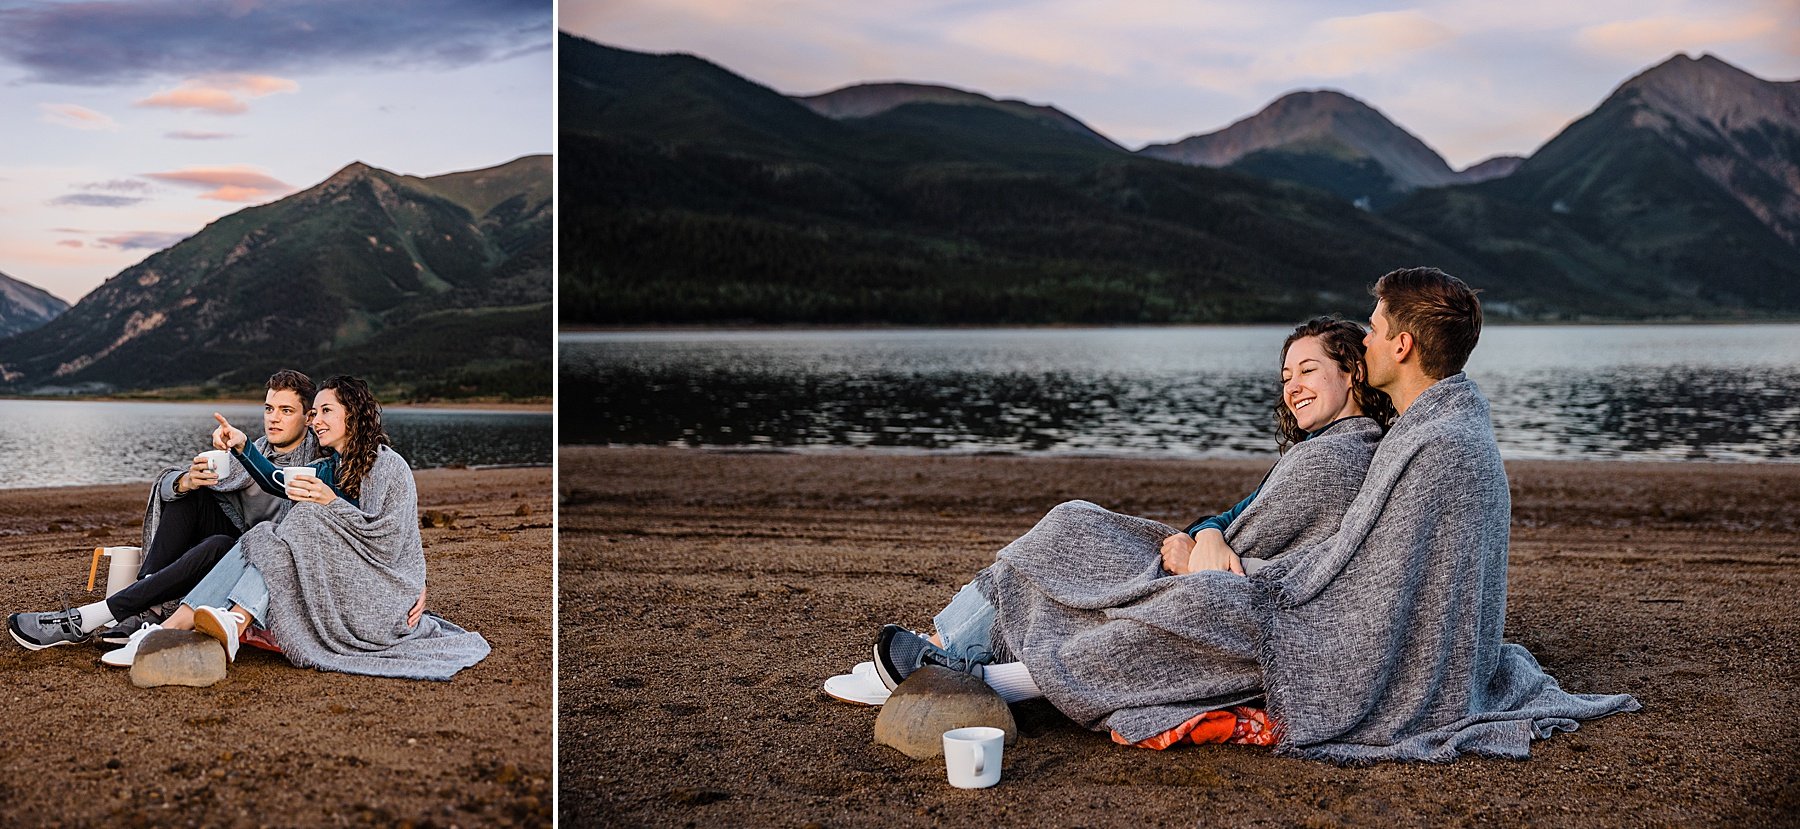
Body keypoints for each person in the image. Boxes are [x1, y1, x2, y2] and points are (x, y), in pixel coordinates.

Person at [878, 267, 1640, 763]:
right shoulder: (1433, 428)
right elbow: (1359, 556)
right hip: (1332, 605)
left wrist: (1250, 579)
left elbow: (1362, 575)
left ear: (1399, 345)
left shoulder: (1439, 442)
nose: (1366, 336)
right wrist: (1235, 560)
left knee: (1214, 602)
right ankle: (969, 657)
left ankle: (992, 678)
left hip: (1368, 651)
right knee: (1190, 583)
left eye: (1371, 331)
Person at [870, 316, 1395, 719]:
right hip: (1200, 560)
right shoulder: (1318, 447)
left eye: (1309, 371)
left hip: (1220, 589)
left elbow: (1299, 561)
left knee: (1071, 527)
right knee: (1068, 530)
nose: (1293, 387)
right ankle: (947, 651)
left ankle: (950, 659)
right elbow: (1233, 518)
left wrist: (1200, 556)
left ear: (1351, 374)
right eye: (1287, 376)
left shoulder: (1338, 459)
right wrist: (1208, 533)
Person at [113, 375, 488, 681]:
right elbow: (276, 480)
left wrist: (416, 580)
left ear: (353, 416)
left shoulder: (389, 467)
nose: (316, 420)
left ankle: (231, 619)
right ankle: (167, 627)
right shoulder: (328, 467)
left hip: (373, 587)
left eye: (324, 411)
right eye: (314, 413)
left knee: (303, 517)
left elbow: (392, 540)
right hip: (327, 570)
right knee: (257, 534)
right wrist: (242, 449)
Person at [7, 370, 322, 651]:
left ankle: (88, 618)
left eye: (286, 411)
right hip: (234, 540)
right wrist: (187, 480)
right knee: (189, 494)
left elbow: (290, 513)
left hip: (259, 562)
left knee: (220, 545)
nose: (274, 419)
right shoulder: (248, 449)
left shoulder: (317, 464)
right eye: (269, 409)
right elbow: (177, 485)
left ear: (308, 418)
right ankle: (144, 610)